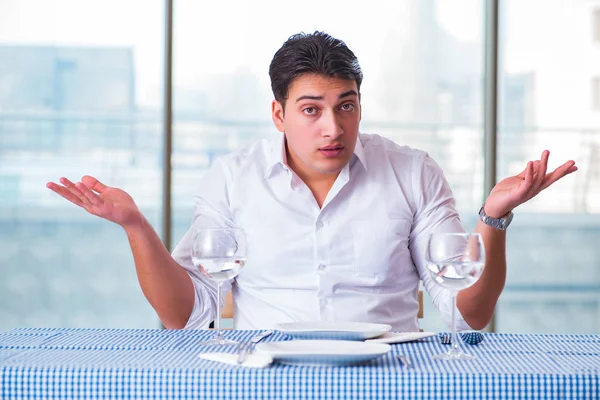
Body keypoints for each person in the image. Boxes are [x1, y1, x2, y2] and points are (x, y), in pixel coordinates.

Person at [47, 31, 578, 331]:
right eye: (311, 110)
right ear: (278, 114)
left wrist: (493, 218)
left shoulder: (413, 171)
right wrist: (136, 226)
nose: (334, 128)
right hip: (264, 380)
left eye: (346, 107)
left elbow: (471, 313)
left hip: (391, 377)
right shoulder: (232, 177)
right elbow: (185, 312)